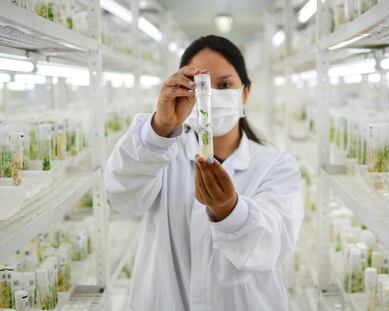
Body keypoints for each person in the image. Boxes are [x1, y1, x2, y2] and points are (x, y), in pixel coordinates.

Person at [104, 35, 303, 311]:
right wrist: (159, 129)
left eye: (225, 85)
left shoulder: (276, 165)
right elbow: (121, 195)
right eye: (200, 86)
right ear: (182, 90)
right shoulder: (160, 154)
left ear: (245, 92)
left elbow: (274, 243)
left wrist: (230, 211)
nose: (211, 96)